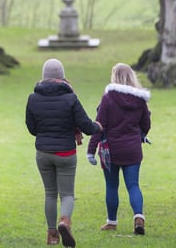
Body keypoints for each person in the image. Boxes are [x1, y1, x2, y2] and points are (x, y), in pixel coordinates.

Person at [26, 58, 103, 247]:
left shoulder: (33, 98)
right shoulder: (70, 98)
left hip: (43, 152)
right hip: (65, 154)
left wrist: (44, 133)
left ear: (43, 77)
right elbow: (85, 125)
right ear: (62, 77)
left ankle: (52, 234)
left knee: (50, 193)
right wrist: (98, 127)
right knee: (67, 194)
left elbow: (31, 127)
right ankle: (64, 221)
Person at [86, 63, 151, 235]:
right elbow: (146, 123)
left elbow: (99, 126)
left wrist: (90, 150)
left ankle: (112, 222)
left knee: (112, 186)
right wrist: (140, 135)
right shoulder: (140, 99)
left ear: (114, 77)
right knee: (133, 185)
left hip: (111, 151)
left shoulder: (108, 98)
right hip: (133, 150)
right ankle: (138, 217)